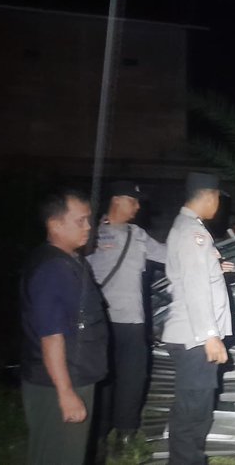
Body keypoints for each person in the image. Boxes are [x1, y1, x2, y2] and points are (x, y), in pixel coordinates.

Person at [19, 189, 109, 465]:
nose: (89, 227)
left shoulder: (70, 261)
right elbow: (51, 336)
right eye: (80, 221)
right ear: (55, 224)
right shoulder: (53, 269)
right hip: (60, 381)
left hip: (73, 376)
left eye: (89, 220)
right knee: (58, 457)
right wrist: (65, 393)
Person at [161, 172, 235, 464]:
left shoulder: (187, 228)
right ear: (209, 196)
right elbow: (194, 286)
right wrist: (210, 335)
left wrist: (219, 269)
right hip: (195, 338)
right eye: (217, 197)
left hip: (191, 336)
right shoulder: (193, 232)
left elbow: (197, 276)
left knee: (195, 407)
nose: (218, 203)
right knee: (193, 411)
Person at [87, 181, 166, 452]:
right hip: (101, 321)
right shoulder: (90, 233)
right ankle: (97, 433)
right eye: (134, 200)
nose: (138, 206)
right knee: (102, 378)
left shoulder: (138, 235)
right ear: (117, 200)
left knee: (133, 377)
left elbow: (167, 255)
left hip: (133, 321)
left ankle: (126, 432)